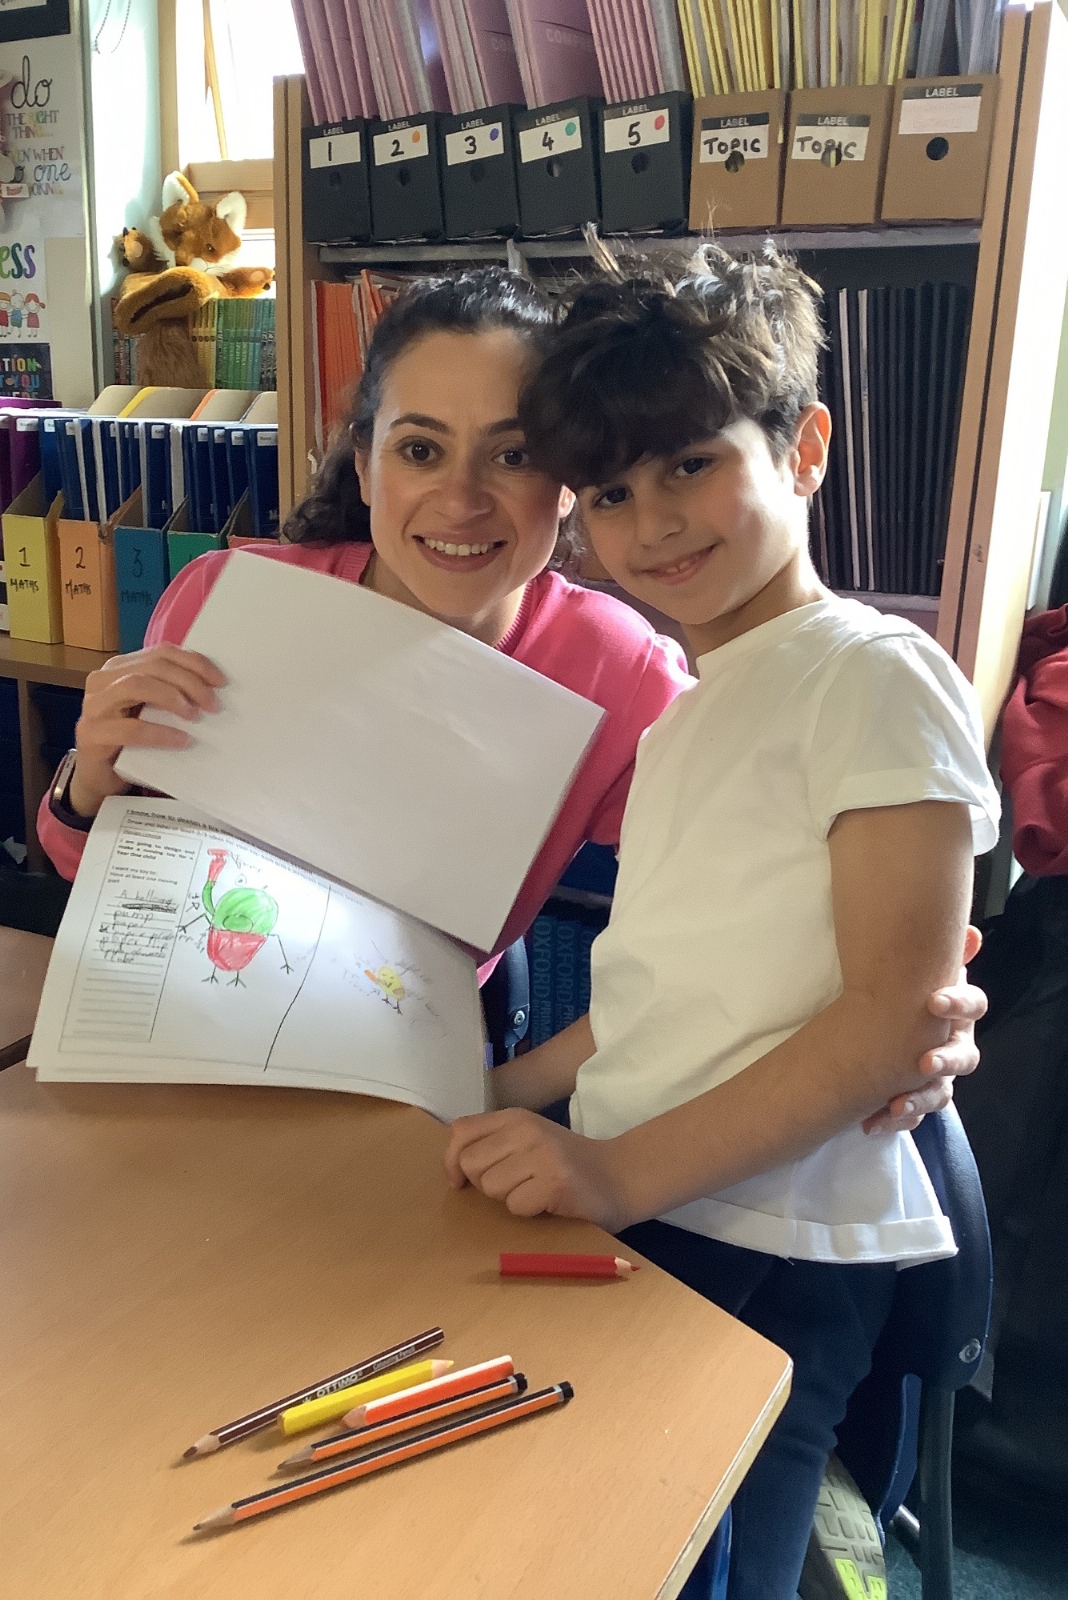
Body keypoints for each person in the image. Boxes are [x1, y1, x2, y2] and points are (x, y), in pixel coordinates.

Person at [38, 268, 984, 1138]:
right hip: (168, 1041)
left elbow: (744, 897)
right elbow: (106, 874)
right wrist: (86, 790)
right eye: (420, 450)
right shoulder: (228, 599)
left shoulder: (625, 674)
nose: (461, 501)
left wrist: (918, 1004)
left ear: (568, 486)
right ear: (364, 464)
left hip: (401, 1085)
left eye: (514, 456)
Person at [442, 245, 1001, 1599]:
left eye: (690, 465)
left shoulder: (872, 674)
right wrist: (492, 1089)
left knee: (705, 1551)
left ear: (804, 447)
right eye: (611, 494)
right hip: (663, 1196)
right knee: (613, 1535)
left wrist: (616, 1176)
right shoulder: (694, 709)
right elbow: (668, 985)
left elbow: (894, 1017)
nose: (651, 526)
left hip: (771, 1229)